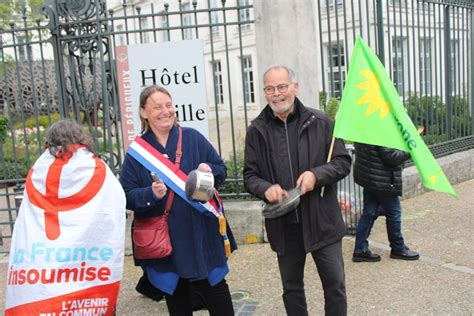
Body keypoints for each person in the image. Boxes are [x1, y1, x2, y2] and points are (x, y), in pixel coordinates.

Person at [243, 65, 351, 316]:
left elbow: (342, 162)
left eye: (282, 86)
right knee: (291, 289)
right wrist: (265, 188)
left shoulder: (321, 122)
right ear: (264, 92)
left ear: (295, 87)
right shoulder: (257, 130)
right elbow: (249, 176)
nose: (277, 94)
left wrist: (317, 174)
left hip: (322, 219)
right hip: (284, 223)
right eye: (270, 89)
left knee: (335, 284)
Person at [120, 85, 236, 316]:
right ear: (144, 113)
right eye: (157, 107)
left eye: (168, 105)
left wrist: (209, 170)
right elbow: (126, 195)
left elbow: (221, 170)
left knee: (217, 293)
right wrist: (150, 194)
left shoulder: (192, 137)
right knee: (178, 300)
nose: (166, 111)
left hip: (200, 233)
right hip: (167, 240)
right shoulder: (137, 153)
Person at [5, 119, 126, 314]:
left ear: (48, 142)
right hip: (86, 260)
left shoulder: (37, 169)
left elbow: (29, 214)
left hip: (45, 256)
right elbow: (115, 202)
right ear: (82, 137)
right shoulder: (96, 167)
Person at [352, 143, 420, 262]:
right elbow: (391, 156)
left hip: (370, 176)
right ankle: (398, 248)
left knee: (369, 213)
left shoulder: (363, 126)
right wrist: (409, 151)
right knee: (394, 212)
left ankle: (360, 249)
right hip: (382, 179)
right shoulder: (380, 127)